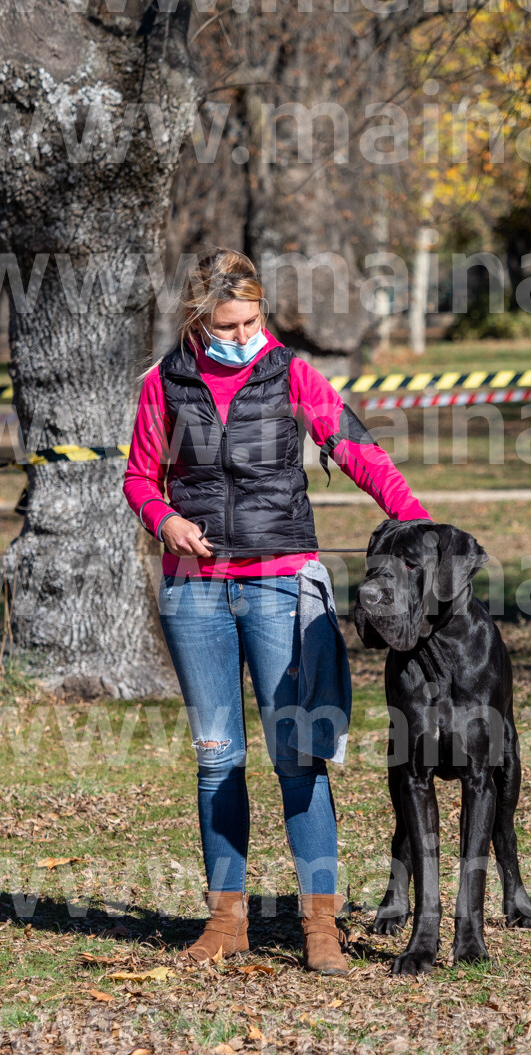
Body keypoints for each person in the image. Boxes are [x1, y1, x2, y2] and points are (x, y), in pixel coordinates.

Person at [122, 248, 432, 974]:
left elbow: (356, 449)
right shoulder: (165, 382)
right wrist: (165, 520)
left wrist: (417, 522)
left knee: (298, 756)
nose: (244, 336)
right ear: (198, 321)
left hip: (279, 584)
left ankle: (320, 926)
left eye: (252, 321)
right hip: (194, 591)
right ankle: (225, 921)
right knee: (216, 759)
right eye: (228, 325)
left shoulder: (289, 372)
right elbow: (139, 477)